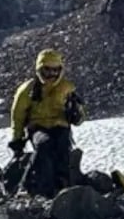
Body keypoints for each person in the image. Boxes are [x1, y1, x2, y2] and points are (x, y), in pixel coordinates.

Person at [8, 49, 86, 197]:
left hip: (60, 126)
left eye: (55, 70)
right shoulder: (28, 90)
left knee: (62, 146)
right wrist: (17, 139)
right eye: (47, 70)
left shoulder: (67, 88)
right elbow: (17, 116)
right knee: (44, 145)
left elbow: (80, 115)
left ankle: (61, 184)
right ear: (39, 69)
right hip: (37, 127)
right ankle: (29, 186)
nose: (52, 74)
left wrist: (75, 114)